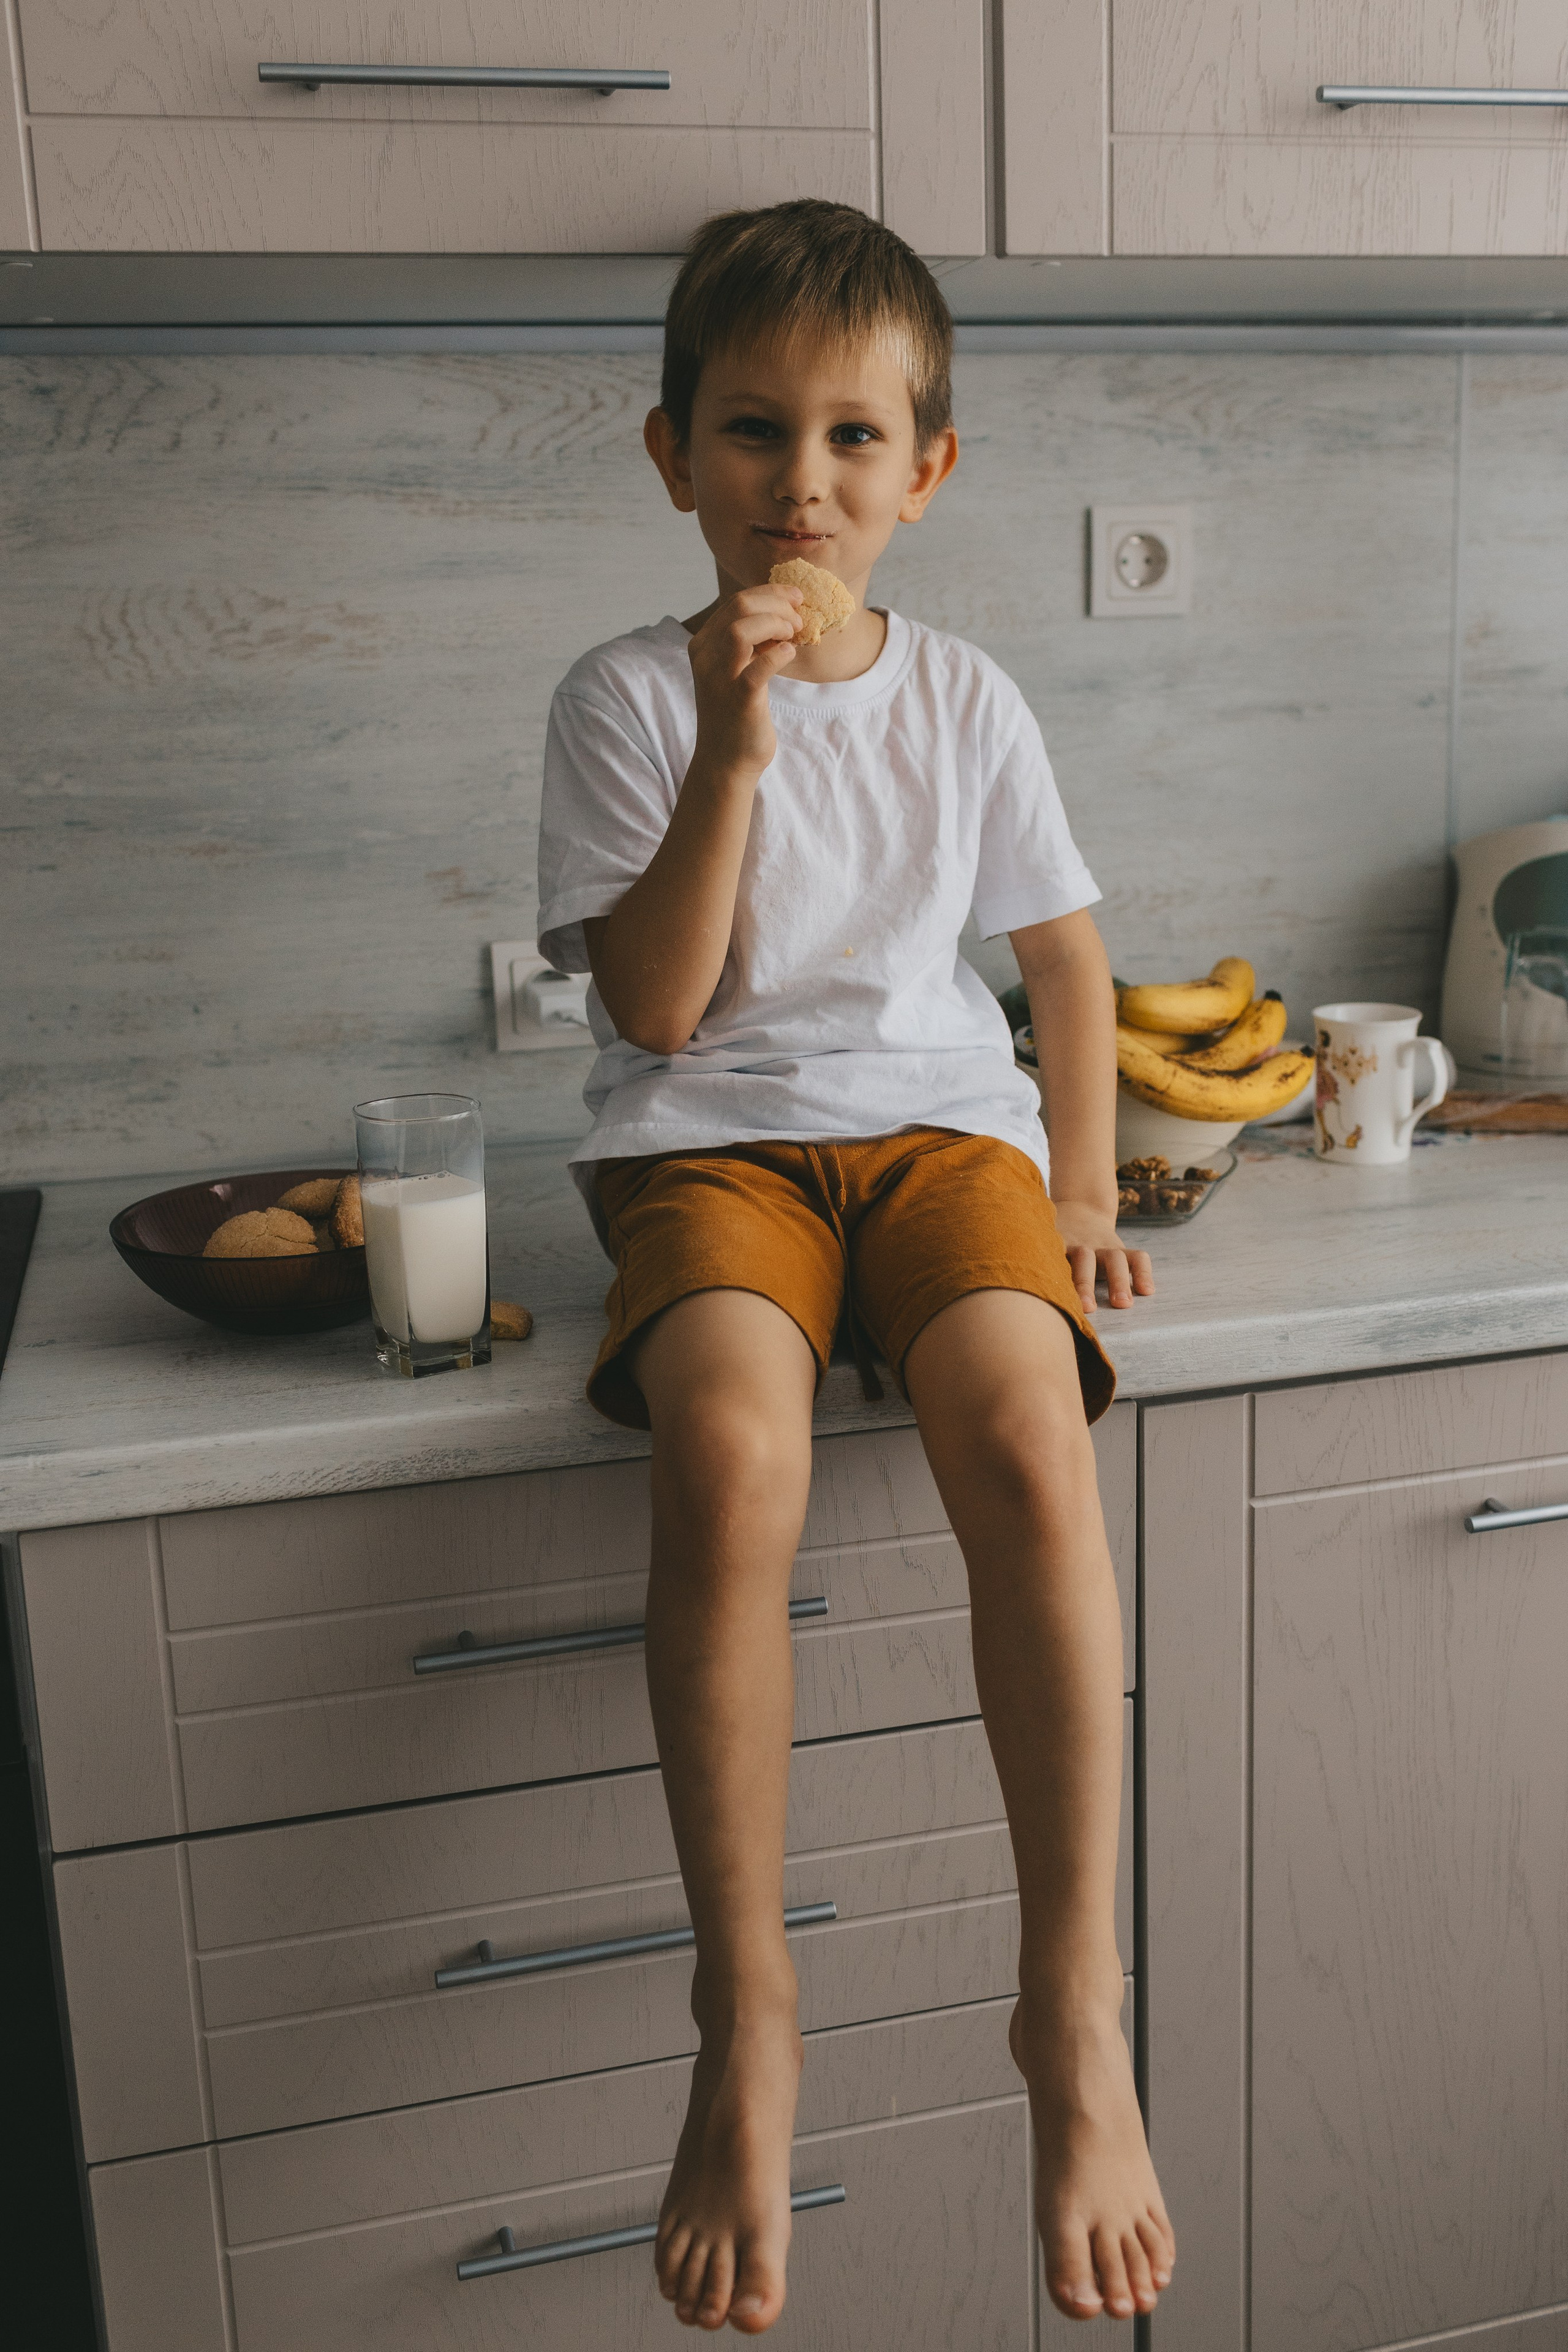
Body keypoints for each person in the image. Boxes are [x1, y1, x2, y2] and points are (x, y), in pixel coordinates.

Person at [536, 198, 1173, 2337]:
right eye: (750, 431)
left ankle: (1072, 2008)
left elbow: (1063, 966)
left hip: (945, 1143)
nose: (798, 483)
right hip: (707, 1145)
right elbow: (655, 1008)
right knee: (732, 1455)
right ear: (672, 457)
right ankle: (749, 2012)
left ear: (926, 471)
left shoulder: (968, 696)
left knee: (1029, 1434)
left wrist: (1080, 1193)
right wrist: (736, 747)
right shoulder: (626, 699)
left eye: (850, 438)